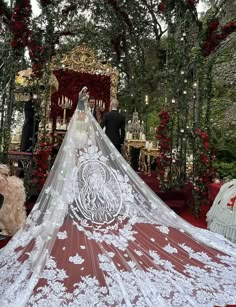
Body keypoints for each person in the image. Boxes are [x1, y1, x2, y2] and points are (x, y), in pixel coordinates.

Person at [0, 86, 236, 306]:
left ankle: (89, 211)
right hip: (86, 160)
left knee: (87, 188)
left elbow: (77, 145)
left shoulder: (81, 122)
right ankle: (87, 211)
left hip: (83, 161)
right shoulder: (91, 121)